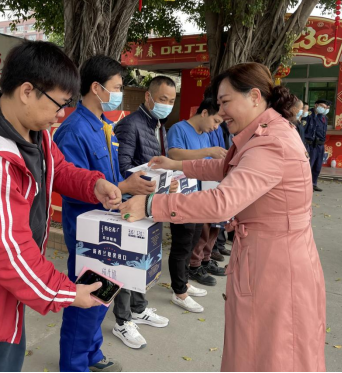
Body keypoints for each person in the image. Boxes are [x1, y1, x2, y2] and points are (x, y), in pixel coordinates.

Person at [0, 41, 123, 373]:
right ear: (27, 91)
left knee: (7, 360)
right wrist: (67, 293)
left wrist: (93, 184)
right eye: (58, 104)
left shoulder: (34, 134)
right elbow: (8, 249)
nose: (61, 115)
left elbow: (59, 169)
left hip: (6, 287)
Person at [120, 62, 327, 372]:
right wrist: (177, 165)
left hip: (276, 264)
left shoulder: (272, 141)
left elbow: (222, 201)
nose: (221, 112)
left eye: (226, 102)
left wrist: (151, 205)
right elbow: (225, 167)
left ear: (254, 96)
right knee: (256, 346)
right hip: (268, 254)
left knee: (273, 352)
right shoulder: (264, 132)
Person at [54, 55, 157, 369]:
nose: (120, 93)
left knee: (103, 296)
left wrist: (132, 183)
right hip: (87, 231)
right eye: (117, 86)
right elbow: (71, 184)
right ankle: (74, 365)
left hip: (108, 226)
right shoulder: (73, 130)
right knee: (87, 298)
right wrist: (124, 186)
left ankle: (92, 354)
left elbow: (111, 177)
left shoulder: (104, 126)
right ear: (96, 88)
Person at [112, 76, 179, 349]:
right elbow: (122, 167)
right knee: (126, 263)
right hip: (131, 204)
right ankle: (122, 321)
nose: (167, 105)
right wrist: (156, 179)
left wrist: (167, 180)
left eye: (171, 101)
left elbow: (158, 163)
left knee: (143, 261)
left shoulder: (159, 125)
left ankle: (139, 309)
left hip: (151, 202)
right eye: (163, 99)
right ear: (148, 97)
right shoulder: (130, 125)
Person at [166, 97, 225, 312]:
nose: (216, 127)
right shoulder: (179, 129)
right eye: (216, 121)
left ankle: (184, 283)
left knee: (193, 240)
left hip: (199, 197)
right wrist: (208, 152)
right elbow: (174, 154)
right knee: (181, 244)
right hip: (181, 197)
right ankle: (179, 292)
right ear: (205, 113)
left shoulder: (205, 135)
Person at [304, 99, 330, 192]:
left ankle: (314, 184)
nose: (324, 109)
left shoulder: (323, 117)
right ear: (316, 105)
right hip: (311, 144)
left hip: (320, 144)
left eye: (326, 108)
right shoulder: (309, 115)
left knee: (318, 166)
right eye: (322, 107)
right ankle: (306, 185)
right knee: (309, 165)